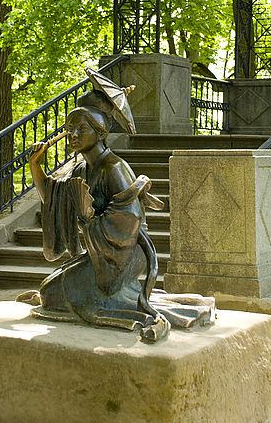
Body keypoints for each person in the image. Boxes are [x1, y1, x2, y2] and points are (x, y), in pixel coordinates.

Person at [20, 74, 215, 342]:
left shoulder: (113, 167)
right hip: (103, 251)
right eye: (70, 129)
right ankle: (127, 297)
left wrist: (90, 221)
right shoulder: (81, 168)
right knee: (51, 288)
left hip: (127, 251)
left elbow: (130, 219)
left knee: (53, 294)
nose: (73, 135)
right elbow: (52, 199)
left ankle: (134, 310)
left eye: (81, 129)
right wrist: (35, 166)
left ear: (100, 132)